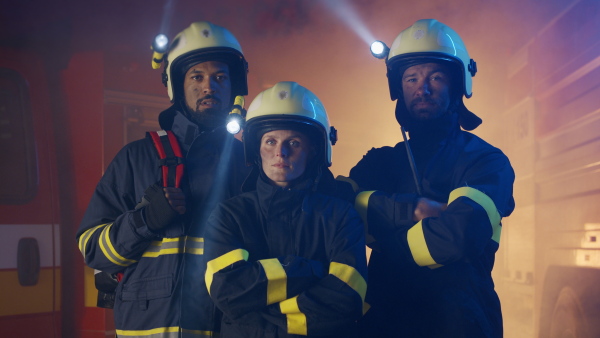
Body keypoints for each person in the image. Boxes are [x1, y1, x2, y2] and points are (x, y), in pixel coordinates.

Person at [76, 21, 250, 337]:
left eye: (220, 78)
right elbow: (91, 249)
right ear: (177, 85)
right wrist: (143, 221)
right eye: (197, 77)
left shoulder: (250, 164)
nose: (209, 87)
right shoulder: (135, 158)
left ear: (233, 87)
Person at [346, 19, 515, 337]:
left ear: (458, 83)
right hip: (385, 324)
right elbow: (337, 211)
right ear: (398, 88)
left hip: (460, 324)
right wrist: (411, 210)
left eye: (435, 77)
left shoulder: (486, 161)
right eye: (411, 79)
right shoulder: (380, 161)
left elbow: (458, 237)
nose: (422, 89)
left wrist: (383, 238)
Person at [204, 81, 368, 337]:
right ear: (256, 149)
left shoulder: (340, 215)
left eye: (293, 143)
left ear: (314, 150)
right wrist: (312, 270)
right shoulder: (230, 215)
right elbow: (227, 290)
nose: (280, 153)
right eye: (270, 141)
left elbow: (346, 299)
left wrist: (260, 318)